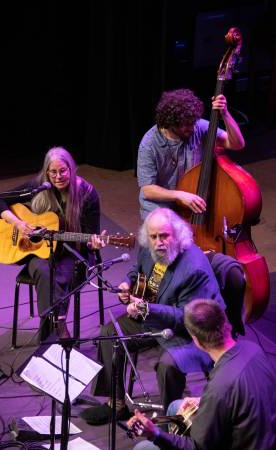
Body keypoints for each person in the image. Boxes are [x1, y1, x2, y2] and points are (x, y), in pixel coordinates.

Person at [79, 207, 224, 425]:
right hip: (155, 315)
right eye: (153, 236)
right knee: (109, 333)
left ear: (177, 234)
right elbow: (138, 268)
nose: (158, 242)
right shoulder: (150, 248)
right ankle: (115, 403)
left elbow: (186, 316)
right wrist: (128, 284)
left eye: (164, 235)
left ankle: (172, 421)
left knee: (167, 365)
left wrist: (147, 309)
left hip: (191, 331)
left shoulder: (193, 268)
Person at [127, 299, 276, 450]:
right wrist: (203, 401)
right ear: (226, 322)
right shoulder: (253, 348)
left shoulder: (219, 388)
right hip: (265, 436)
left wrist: (155, 433)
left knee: (143, 447)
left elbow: (197, 447)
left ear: (196, 341)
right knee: (175, 407)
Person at [0, 146, 105, 341]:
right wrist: (18, 223)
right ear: (46, 172)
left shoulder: (87, 194)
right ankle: (58, 327)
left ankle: (50, 333)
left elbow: (89, 236)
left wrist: (93, 244)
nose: (58, 176)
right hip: (39, 251)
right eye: (53, 172)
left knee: (61, 275)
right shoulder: (39, 186)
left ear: (71, 169)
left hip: (73, 251)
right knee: (46, 272)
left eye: (63, 171)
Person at [137, 88, 245, 220]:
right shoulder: (149, 144)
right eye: (187, 125)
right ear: (171, 123)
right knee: (164, 234)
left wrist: (225, 114)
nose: (193, 128)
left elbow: (236, 144)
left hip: (191, 201)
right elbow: (148, 190)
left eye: (194, 122)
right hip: (161, 205)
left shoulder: (198, 127)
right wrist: (180, 195)